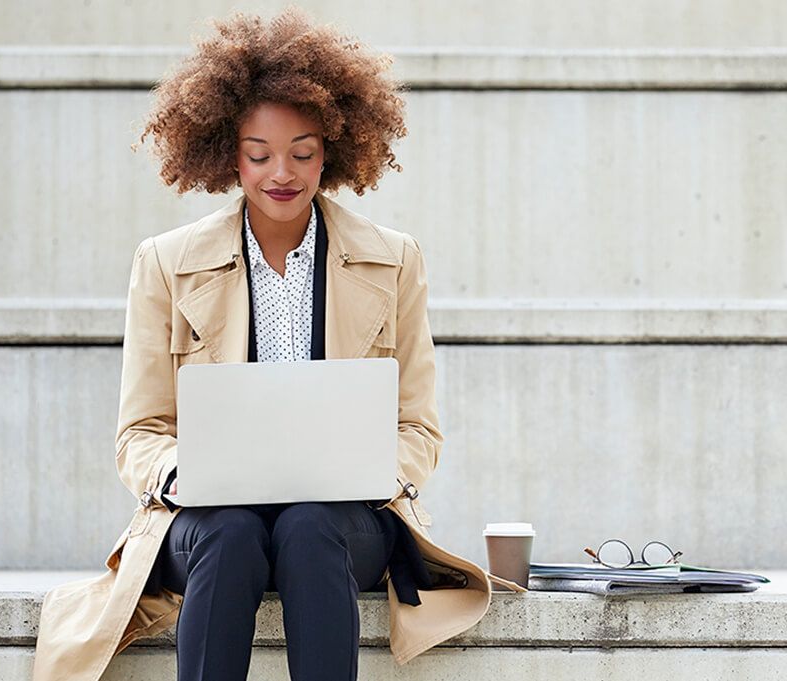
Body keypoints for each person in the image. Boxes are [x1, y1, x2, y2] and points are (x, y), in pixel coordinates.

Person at [31, 10, 523, 681]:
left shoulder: (395, 260)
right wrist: (186, 474)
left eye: (303, 151)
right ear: (226, 152)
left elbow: (418, 424)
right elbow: (139, 432)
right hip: (206, 517)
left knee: (308, 525)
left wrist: (382, 468)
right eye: (259, 154)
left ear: (334, 148)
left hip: (342, 519)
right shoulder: (165, 263)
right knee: (233, 531)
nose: (281, 173)